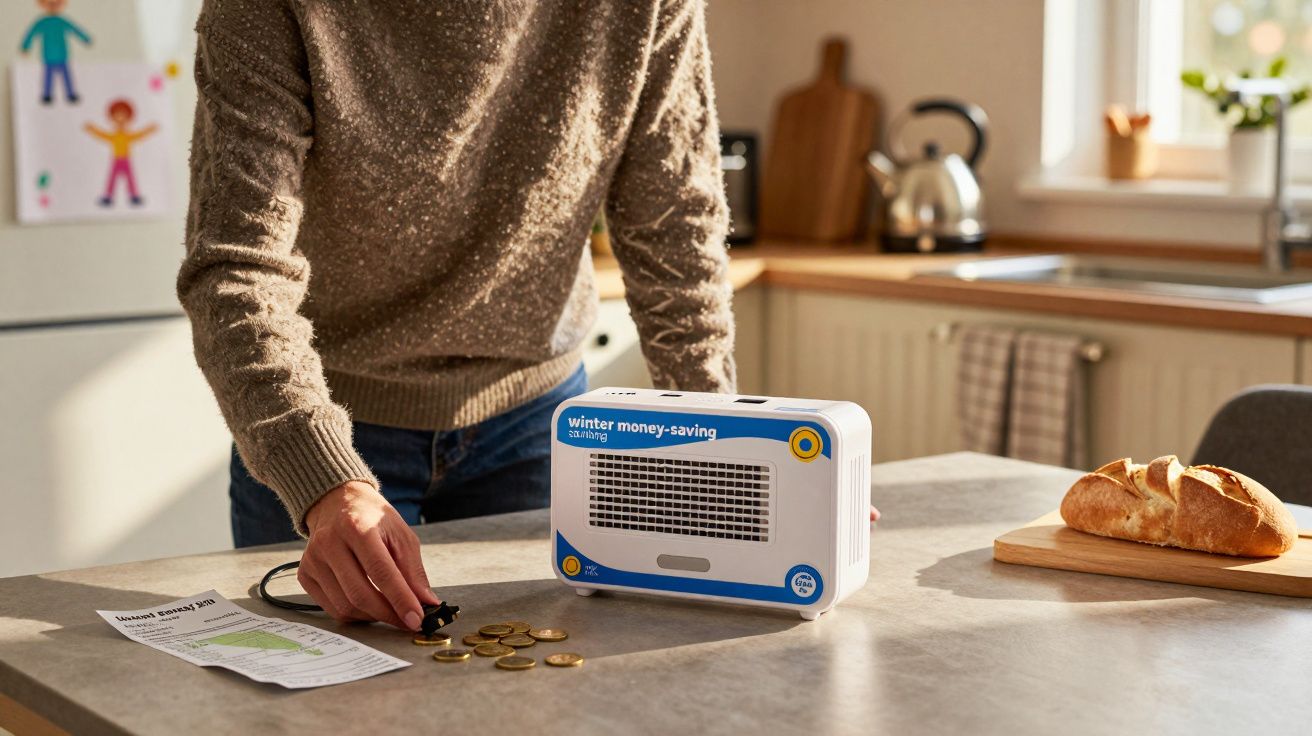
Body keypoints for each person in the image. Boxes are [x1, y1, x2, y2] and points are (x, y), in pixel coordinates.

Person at [178, 0, 737, 633]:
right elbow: (237, 263)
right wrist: (322, 476)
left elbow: (675, 229)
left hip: (542, 427)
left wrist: (715, 450)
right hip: (326, 427)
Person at [85, 99, 157, 206]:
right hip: (116, 160)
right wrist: (92, 130)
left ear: (129, 118)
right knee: (112, 179)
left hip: (126, 160)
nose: (120, 118)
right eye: (117, 116)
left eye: (123, 115)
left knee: (130, 179)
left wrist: (149, 130)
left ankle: (134, 197)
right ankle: (108, 197)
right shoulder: (114, 136)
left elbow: (139, 135)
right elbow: (103, 135)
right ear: (112, 118)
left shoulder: (128, 135)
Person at [19, 0, 92, 105]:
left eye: (56, 4)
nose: (53, 6)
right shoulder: (42, 22)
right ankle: (47, 95)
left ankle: (70, 94)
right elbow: (31, 33)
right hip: (48, 55)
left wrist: (86, 39)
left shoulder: (62, 21)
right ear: (43, 5)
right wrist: (25, 47)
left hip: (62, 54)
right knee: (48, 76)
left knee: (66, 76)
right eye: (50, 4)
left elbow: (75, 29)